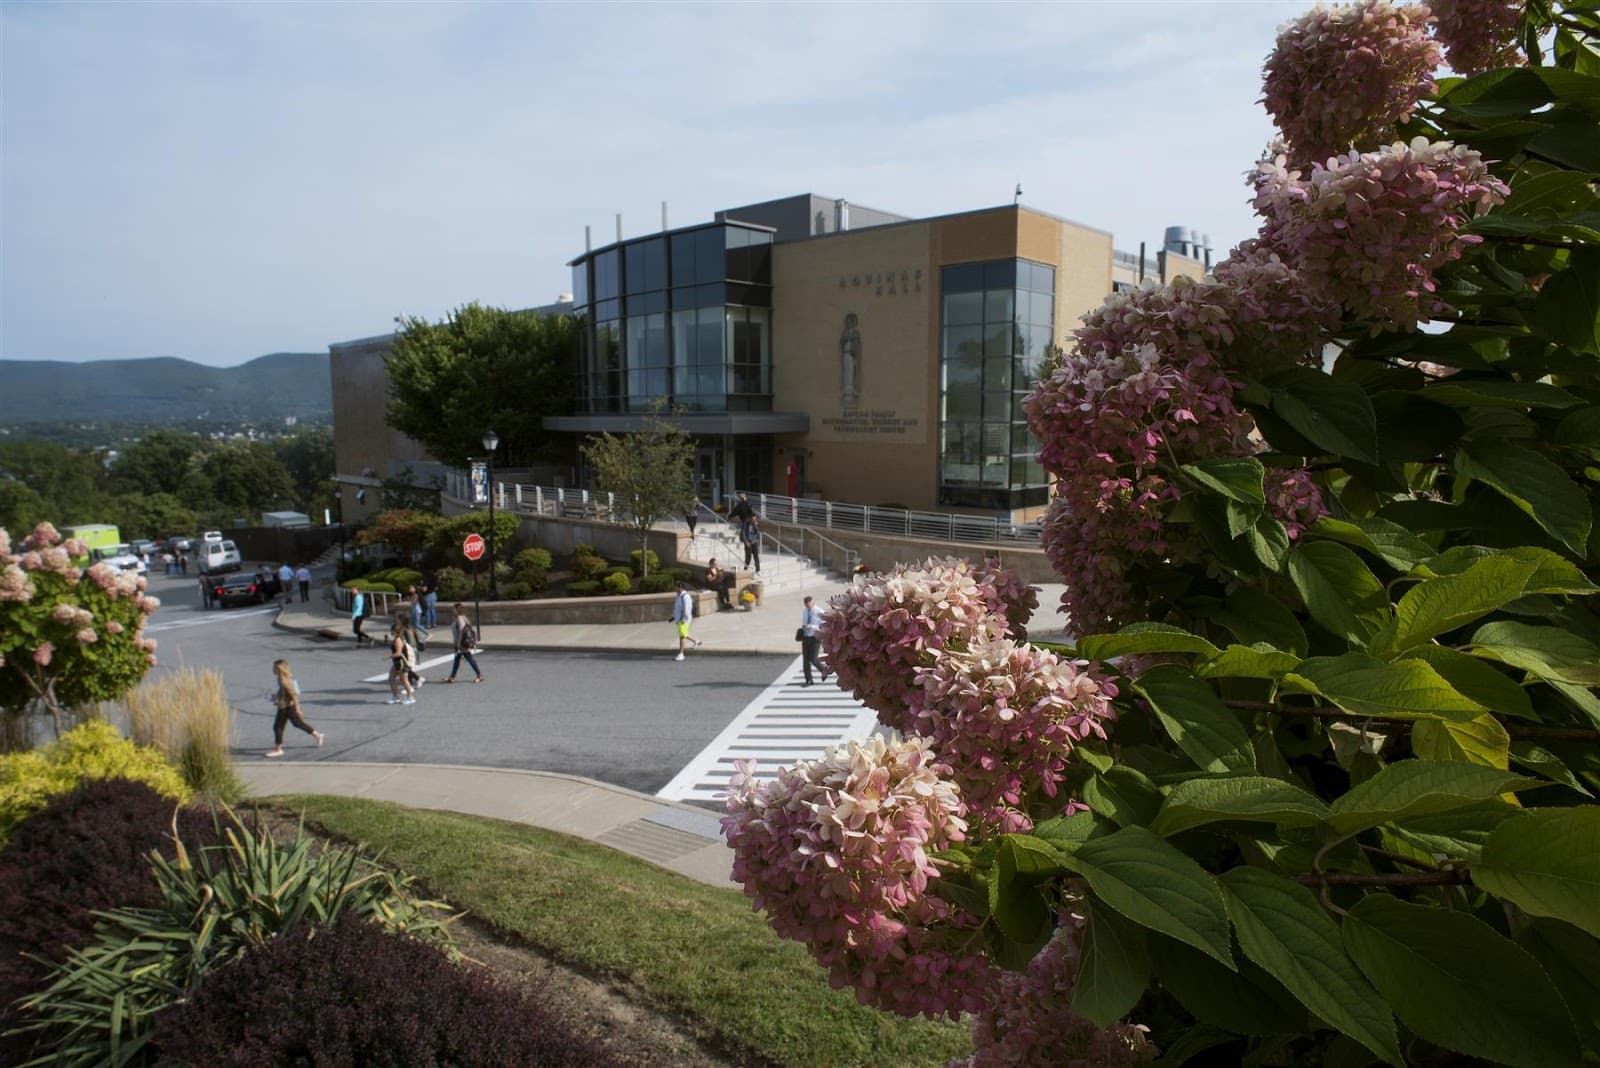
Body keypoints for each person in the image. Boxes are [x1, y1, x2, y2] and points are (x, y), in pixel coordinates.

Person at [265, 659, 323, 757]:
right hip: (285, 705)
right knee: (297, 723)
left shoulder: (284, 681)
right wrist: (276, 697)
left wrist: (298, 709)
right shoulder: (281, 679)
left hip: (286, 707)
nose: (272, 669)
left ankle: (278, 749)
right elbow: (283, 692)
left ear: (279, 669)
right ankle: (318, 735)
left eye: (274, 667)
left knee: (278, 727)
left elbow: (294, 695)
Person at [443, 603, 484, 683]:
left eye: (454, 609)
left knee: (469, 659)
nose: (452, 610)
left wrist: (458, 644)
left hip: (461, 643)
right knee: (457, 660)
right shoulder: (464, 617)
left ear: (457, 610)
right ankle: (452, 677)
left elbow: (462, 630)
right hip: (461, 643)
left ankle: (479, 675)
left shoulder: (459, 618)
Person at [800, 595, 829, 687]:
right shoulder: (805, 611)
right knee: (805, 660)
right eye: (807, 606)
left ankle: (824, 670)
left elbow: (824, 626)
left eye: (809, 606)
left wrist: (812, 626)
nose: (808, 608)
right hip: (806, 637)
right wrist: (804, 627)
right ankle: (808, 679)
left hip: (815, 637)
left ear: (813, 603)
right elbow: (804, 622)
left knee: (813, 658)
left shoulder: (819, 612)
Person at [387, 624, 417, 705]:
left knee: (404, 681)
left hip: (401, 663)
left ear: (396, 632)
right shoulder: (396, 639)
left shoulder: (398, 640)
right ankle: (395, 696)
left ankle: (410, 697)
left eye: (392, 631)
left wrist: (388, 657)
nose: (391, 632)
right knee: (391, 678)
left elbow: (398, 653)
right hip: (397, 663)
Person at [672, 581, 701, 662]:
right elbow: (678, 608)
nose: (674, 588)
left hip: (683, 620)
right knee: (684, 634)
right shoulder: (678, 596)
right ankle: (696, 641)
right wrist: (674, 617)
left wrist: (683, 620)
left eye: (676, 587)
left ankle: (681, 654)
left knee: (682, 637)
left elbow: (687, 610)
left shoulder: (685, 597)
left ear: (680, 588)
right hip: (679, 619)